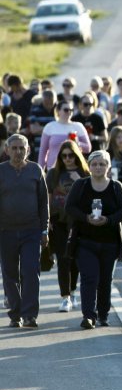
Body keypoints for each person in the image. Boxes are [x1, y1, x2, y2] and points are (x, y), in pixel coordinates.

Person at [64, 150, 122, 329]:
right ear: (89, 166)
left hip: (110, 243)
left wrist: (108, 220)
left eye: (102, 164)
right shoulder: (81, 185)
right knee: (89, 277)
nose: (98, 167)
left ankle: (103, 314)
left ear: (108, 166)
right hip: (85, 242)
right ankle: (88, 316)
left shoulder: (116, 186)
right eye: (94, 164)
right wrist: (86, 218)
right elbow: (69, 207)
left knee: (105, 280)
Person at [0, 134, 49, 328]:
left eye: (22, 148)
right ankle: (15, 313)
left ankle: (30, 315)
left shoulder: (35, 170)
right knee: (9, 274)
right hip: (6, 231)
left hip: (31, 230)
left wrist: (44, 230)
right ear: (7, 150)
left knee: (30, 271)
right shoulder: (1, 171)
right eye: (15, 148)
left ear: (28, 150)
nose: (18, 152)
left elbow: (43, 203)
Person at [47, 140, 89, 312]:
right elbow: (48, 198)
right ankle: (65, 297)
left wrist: (78, 179)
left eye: (71, 155)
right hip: (58, 220)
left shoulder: (84, 172)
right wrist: (47, 219)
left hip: (78, 220)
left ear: (76, 156)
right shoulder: (53, 173)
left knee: (75, 259)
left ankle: (72, 292)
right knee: (62, 259)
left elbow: (89, 195)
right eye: (64, 156)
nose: (67, 159)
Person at [38, 100, 91, 169]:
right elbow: (42, 151)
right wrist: (40, 169)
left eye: (71, 110)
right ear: (58, 111)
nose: (69, 112)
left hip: (74, 167)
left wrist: (77, 143)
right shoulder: (50, 127)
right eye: (66, 110)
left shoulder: (78, 126)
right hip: (53, 168)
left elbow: (88, 148)